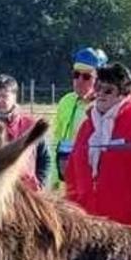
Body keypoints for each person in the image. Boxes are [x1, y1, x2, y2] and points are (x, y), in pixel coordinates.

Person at [64, 62, 131, 227]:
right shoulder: (88, 125)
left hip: (130, 223)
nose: (100, 94)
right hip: (89, 221)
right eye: (98, 88)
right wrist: (75, 202)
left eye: (108, 90)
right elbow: (73, 168)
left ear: (123, 93)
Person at [0, 73, 50, 190]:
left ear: (14, 97)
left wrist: (40, 183)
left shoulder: (31, 126)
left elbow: (45, 157)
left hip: (28, 193)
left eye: (5, 96)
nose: (0, 100)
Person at [50, 47, 108, 188]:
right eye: (76, 75)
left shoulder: (106, 106)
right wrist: (53, 178)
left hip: (92, 182)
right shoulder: (66, 101)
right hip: (65, 179)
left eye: (86, 76)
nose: (79, 80)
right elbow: (56, 141)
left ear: (99, 80)